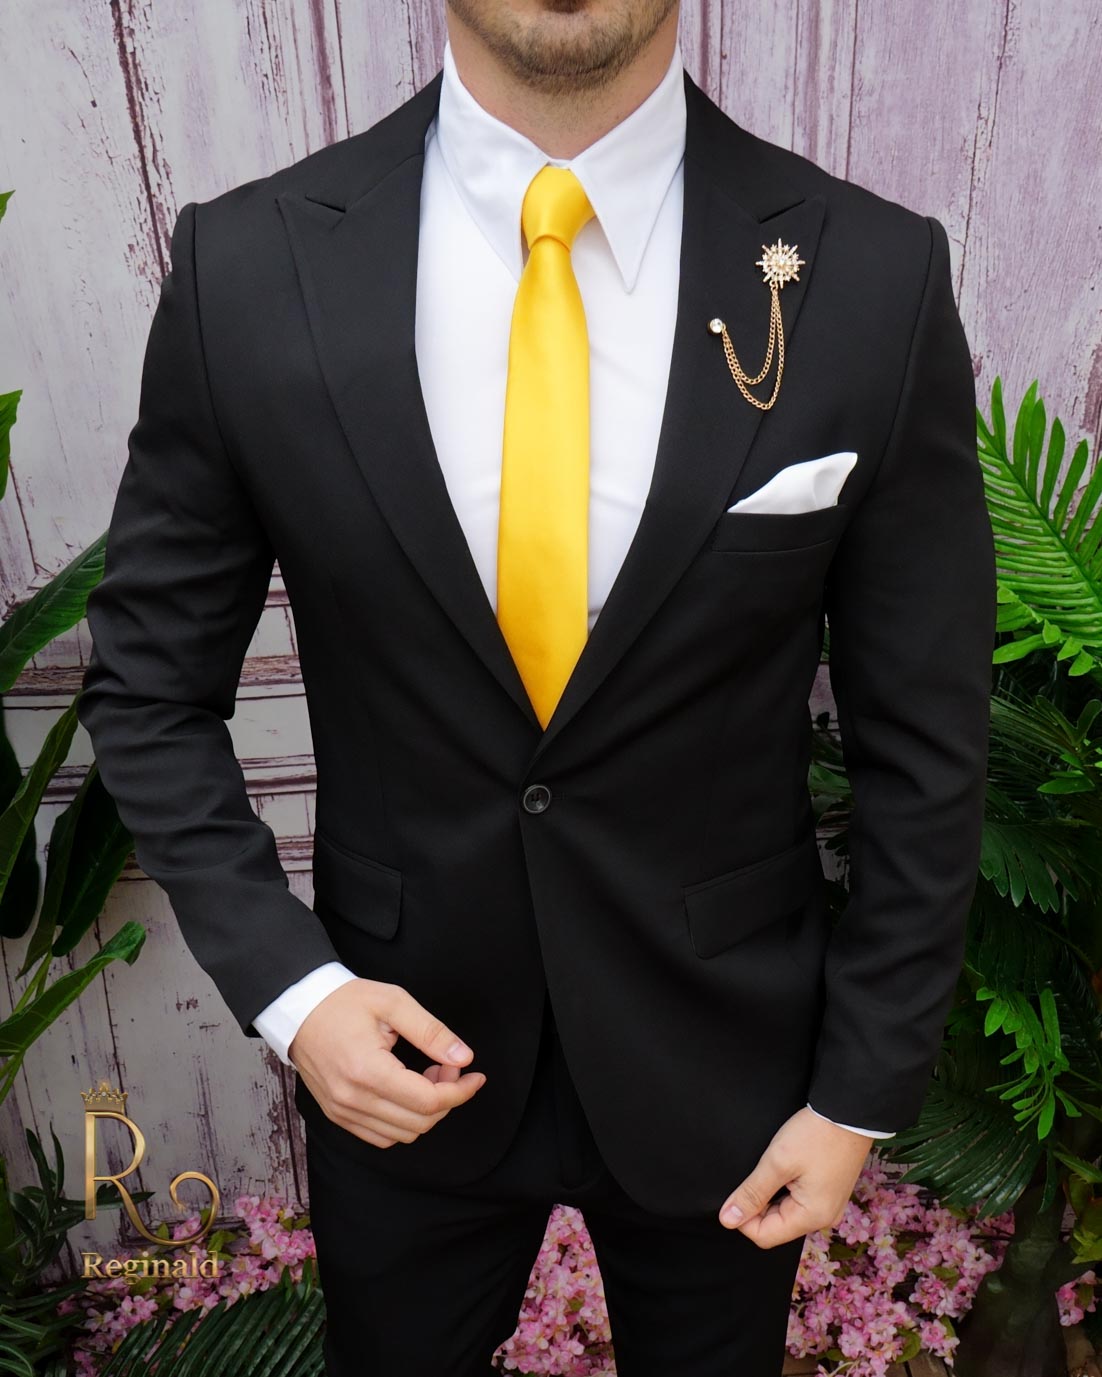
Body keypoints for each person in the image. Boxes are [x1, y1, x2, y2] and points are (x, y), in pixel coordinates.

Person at [76, 1, 997, 1372]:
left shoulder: (872, 273)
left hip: (728, 1067)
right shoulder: (250, 264)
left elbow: (925, 738)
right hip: (397, 1047)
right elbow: (149, 690)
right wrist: (295, 993)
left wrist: (860, 1090)